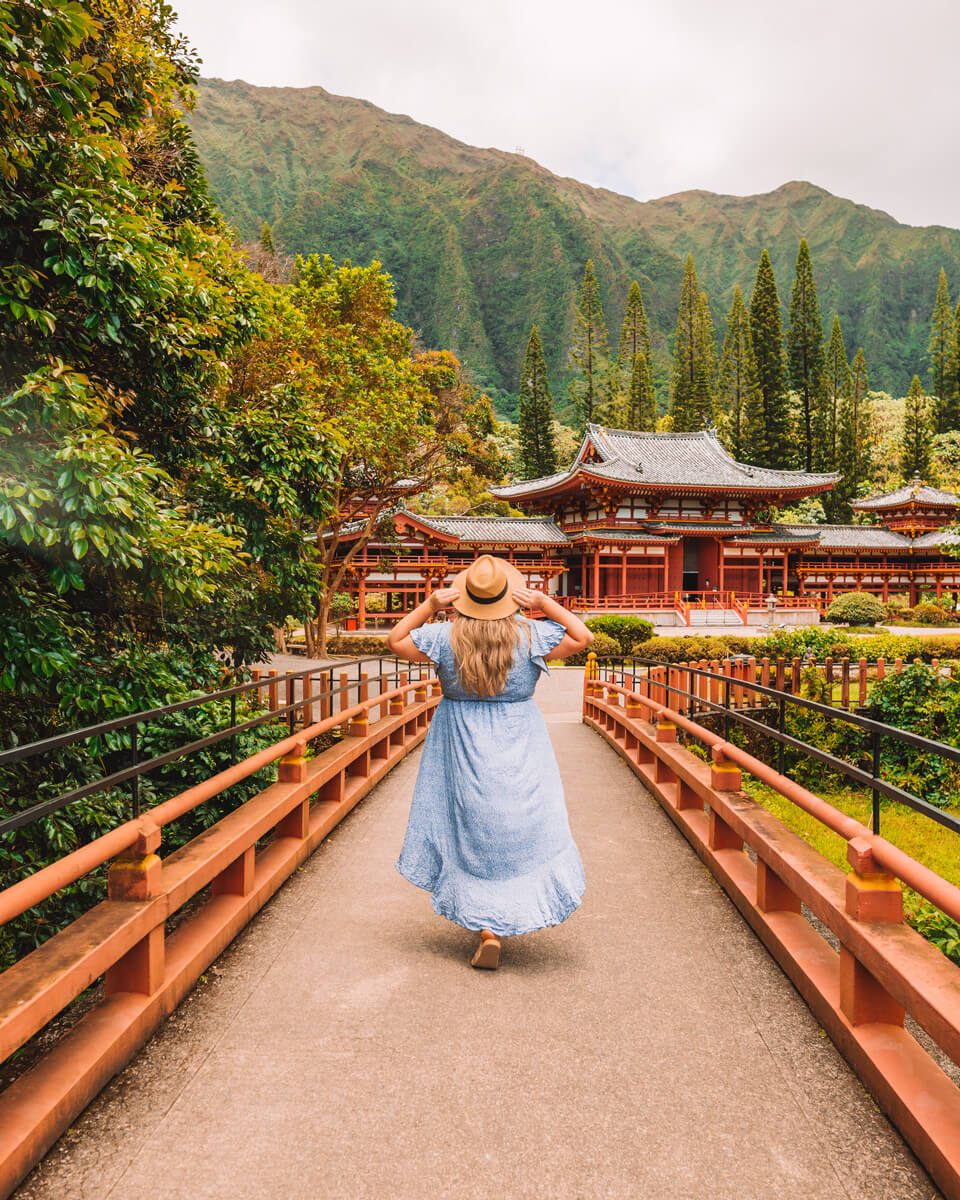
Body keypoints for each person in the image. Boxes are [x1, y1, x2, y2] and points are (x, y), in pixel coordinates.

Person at [387, 554, 594, 969]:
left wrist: (430, 606)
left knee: (468, 822)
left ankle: (487, 926)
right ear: (510, 596)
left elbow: (396, 641)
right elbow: (581, 637)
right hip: (519, 733)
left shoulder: (445, 637)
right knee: (520, 818)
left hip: (460, 734)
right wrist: (544, 602)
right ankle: (507, 913)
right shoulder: (531, 633)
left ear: (464, 598)